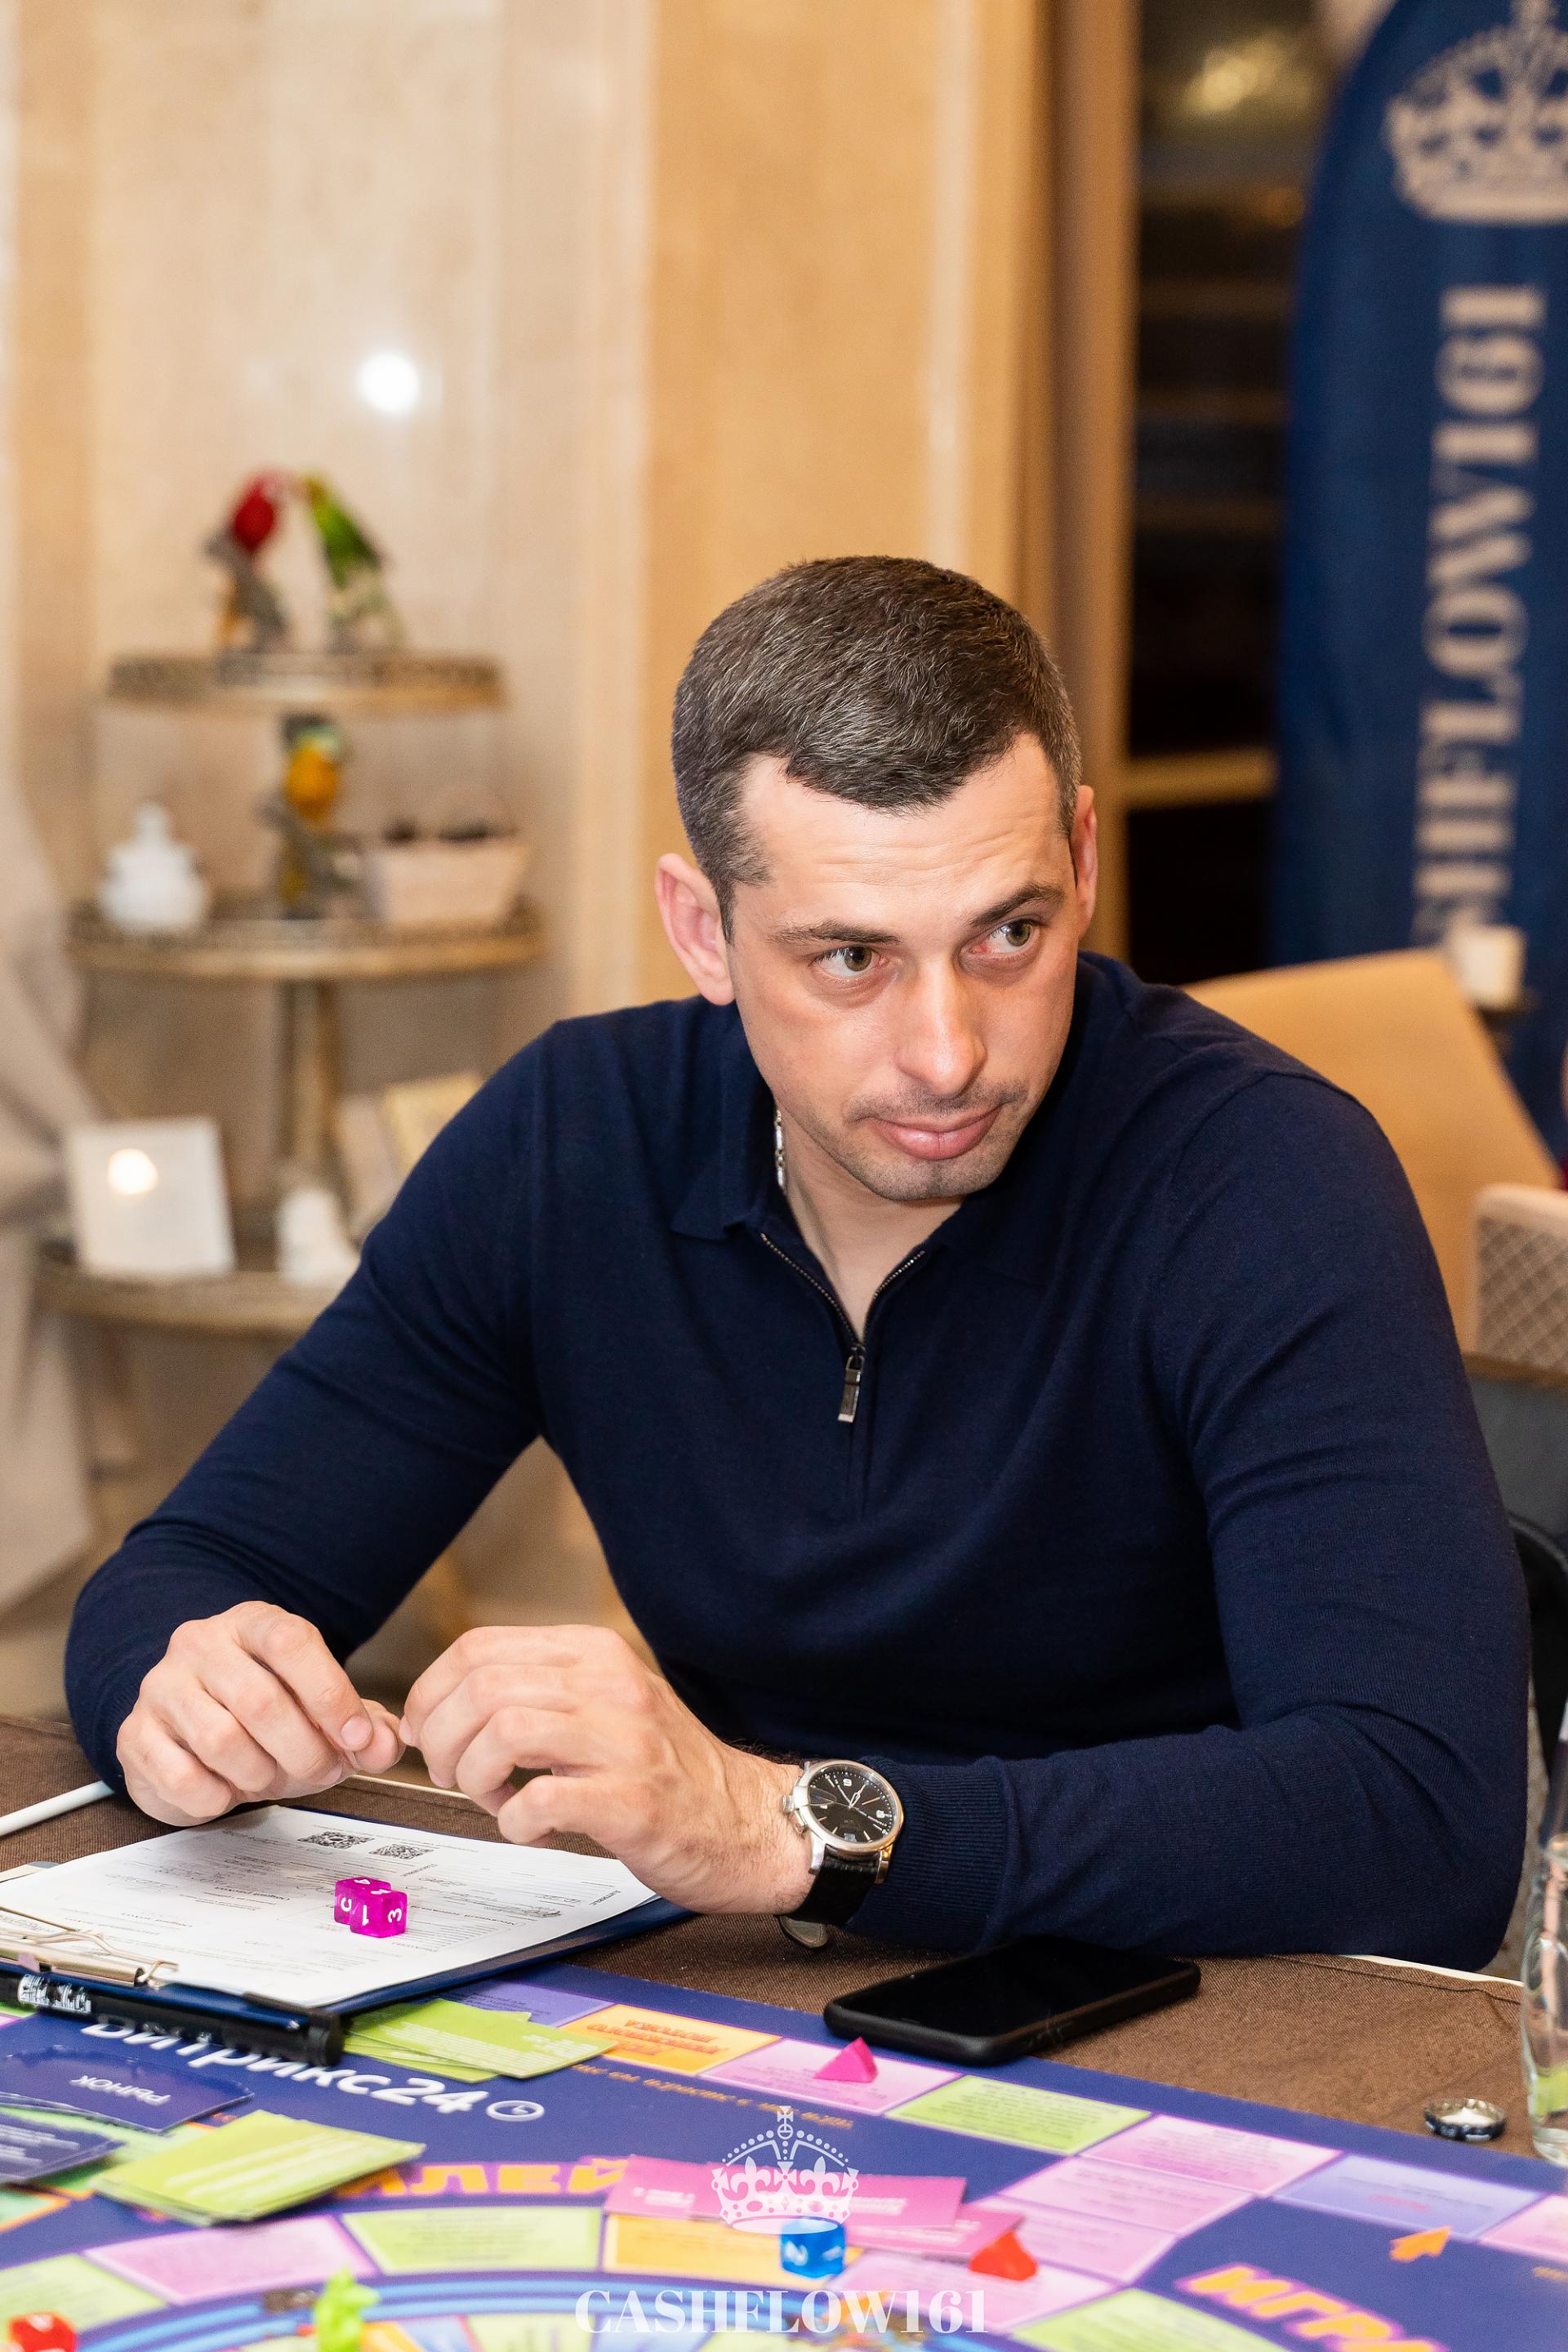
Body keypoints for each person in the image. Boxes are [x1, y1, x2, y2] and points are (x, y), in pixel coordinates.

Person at [66, 557, 1527, 1964]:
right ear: (703, 932)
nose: (948, 1053)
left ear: (1084, 864)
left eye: (1009, 934)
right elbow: (187, 1573)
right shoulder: (576, 1139)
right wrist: (189, 1691)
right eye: (850, 960)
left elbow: (1421, 1825)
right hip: (759, 1987)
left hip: (1208, 2002)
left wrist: (790, 1828)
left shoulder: (1266, 1177)